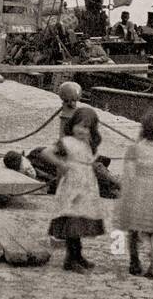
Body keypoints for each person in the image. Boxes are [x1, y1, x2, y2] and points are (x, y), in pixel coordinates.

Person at [38, 106, 105, 272]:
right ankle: (70, 258)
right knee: (72, 220)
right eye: (80, 126)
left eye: (88, 127)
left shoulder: (88, 144)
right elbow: (46, 152)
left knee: (81, 220)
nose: (83, 130)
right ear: (72, 124)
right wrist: (62, 164)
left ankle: (78, 255)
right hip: (72, 187)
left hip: (87, 188)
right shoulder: (67, 142)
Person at [116, 108, 153, 279]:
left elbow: (128, 175)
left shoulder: (134, 149)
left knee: (133, 230)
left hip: (137, 193)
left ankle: (134, 262)